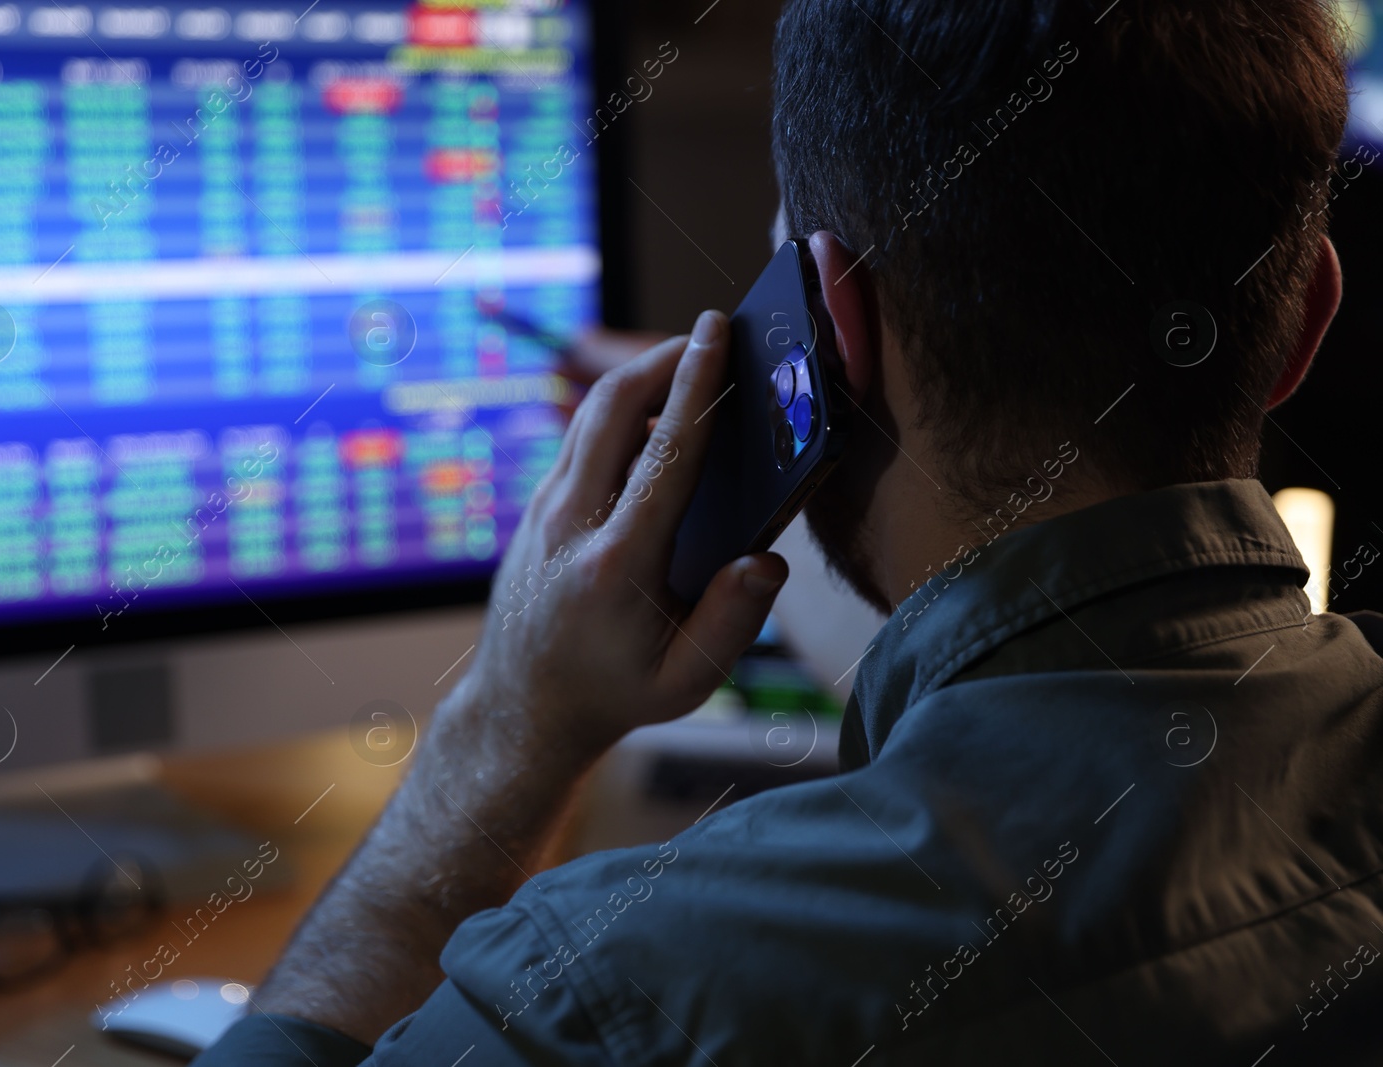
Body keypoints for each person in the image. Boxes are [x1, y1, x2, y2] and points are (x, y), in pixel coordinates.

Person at [195, 0, 1383, 1062]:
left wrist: (506, 724)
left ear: (830, 328)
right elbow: (1038, 651)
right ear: (1303, 320)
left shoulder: (606, 997)